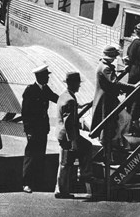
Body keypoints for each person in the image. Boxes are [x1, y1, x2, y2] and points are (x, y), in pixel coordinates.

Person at [54, 71, 93, 199]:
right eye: (78, 83)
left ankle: (61, 189)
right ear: (74, 83)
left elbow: (70, 110)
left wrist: (82, 106)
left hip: (61, 134)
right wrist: (73, 141)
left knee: (64, 162)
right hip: (67, 135)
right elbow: (69, 122)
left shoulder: (65, 96)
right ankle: (82, 176)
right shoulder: (70, 100)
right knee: (68, 161)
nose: (79, 86)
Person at [90, 45, 136, 150]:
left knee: (115, 120)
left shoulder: (103, 65)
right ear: (110, 57)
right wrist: (133, 87)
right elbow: (114, 82)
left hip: (107, 98)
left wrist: (124, 71)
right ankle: (115, 139)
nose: (115, 58)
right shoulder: (106, 68)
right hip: (107, 99)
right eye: (114, 57)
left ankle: (116, 139)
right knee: (124, 118)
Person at [22, 65, 58, 193]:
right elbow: (25, 113)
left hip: (43, 128)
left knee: (40, 155)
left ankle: (37, 182)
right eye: (46, 76)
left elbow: (55, 98)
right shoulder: (30, 90)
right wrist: (28, 131)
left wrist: (70, 102)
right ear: (39, 77)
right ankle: (26, 183)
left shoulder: (45, 89)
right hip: (33, 129)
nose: (48, 77)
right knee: (31, 155)